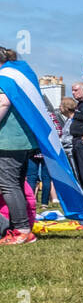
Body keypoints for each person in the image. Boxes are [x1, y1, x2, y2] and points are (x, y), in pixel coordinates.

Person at [0, 84, 37, 245]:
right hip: (20, 141)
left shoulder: (4, 78)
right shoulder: (17, 78)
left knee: (9, 185)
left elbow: (3, 103)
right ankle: (20, 229)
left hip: (9, 142)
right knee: (15, 184)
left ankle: (22, 231)